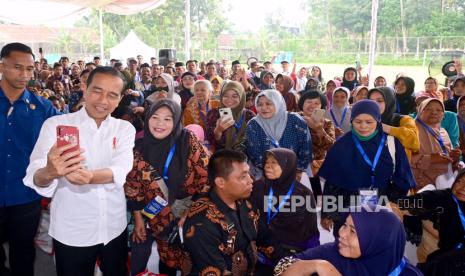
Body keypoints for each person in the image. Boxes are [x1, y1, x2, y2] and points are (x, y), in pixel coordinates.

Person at [24, 66, 136, 276]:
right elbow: (35, 175)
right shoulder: (56, 125)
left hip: (114, 225)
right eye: (97, 91)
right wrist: (50, 171)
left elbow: (122, 166)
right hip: (73, 230)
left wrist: (91, 177)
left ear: (120, 99)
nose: (103, 100)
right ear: (85, 88)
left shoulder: (124, 129)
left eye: (112, 95)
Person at [124, 98, 209, 276]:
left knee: (193, 260)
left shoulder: (187, 140)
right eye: (155, 117)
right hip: (156, 216)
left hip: (188, 215)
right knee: (167, 259)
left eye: (167, 119)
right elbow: (133, 187)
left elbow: (205, 178)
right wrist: (139, 218)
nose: (160, 124)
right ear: (147, 119)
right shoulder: (138, 148)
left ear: (176, 120)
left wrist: (191, 211)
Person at [0, 42, 59, 276]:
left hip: (25, 195)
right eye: (18, 67)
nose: (25, 74)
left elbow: (67, 134)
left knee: (23, 253)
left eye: (30, 69)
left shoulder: (43, 108)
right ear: (2, 66)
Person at [319, 100, 416, 238]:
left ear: (378, 121)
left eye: (369, 122)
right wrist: (328, 213)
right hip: (347, 209)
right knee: (348, 248)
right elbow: (332, 183)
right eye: (358, 121)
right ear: (351, 121)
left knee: (377, 246)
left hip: (382, 205)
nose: (363, 126)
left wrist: (389, 203)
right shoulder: (341, 145)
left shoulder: (391, 143)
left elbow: (402, 178)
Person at [182, 150, 284, 275]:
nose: (251, 180)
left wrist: (287, 264)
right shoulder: (202, 223)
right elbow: (215, 271)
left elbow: (264, 237)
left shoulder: (246, 202)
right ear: (221, 182)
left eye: (249, 174)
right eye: (243, 176)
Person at [275, 206, 423, 276]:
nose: (341, 233)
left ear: (377, 242)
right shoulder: (333, 252)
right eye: (344, 225)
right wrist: (317, 265)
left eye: (352, 231)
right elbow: (281, 268)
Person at [251, 148, 319, 275]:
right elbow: (254, 222)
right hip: (265, 254)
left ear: (287, 164)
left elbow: (312, 231)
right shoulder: (258, 188)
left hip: (296, 255)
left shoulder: (303, 193)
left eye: (274, 163)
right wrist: (279, 255)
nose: (268, 166)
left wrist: (309, 261)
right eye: (266, 162)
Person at [399, 169, 465, 275]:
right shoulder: (440, 198)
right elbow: (403, 203)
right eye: (459, 181)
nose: (461, 188)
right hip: (442, 264)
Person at [245, 89, 311, 180]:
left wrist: (296, 170)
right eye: (260, 104)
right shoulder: (253, 125)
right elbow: (255, 155)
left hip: (295, 173)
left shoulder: (295, 121)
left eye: (268, 103)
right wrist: (274, 171)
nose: (263, 108)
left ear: (278, 103)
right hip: (266, 174)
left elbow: (306, 149)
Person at [411, 98, 461, 190]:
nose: (434, 112)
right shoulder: (411, 131)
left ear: (443, 115)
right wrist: (431, 158)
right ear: (420, 111)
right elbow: (404, 160)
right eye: (428, 109)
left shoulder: (443, 132)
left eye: (438, 110)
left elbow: (447, 158)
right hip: (421, 186)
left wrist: (453, 158)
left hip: (445, 185)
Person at [298, 91, 335, 198]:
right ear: (302, 104)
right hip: (297, 169)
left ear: (322, 106)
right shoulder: (293, 119)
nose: (312, 106)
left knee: (315, 201)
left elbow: (332, 147)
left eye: (316, 103)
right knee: (295, 202)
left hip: (317, 169)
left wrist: (319, 129)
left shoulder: (327, 123)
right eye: (309, 102)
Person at [367, 86, 420, 160]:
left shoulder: (404, 119)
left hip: (399, 169)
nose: (375, 104)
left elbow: (415, 143)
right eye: (371, 101)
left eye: (380, 101)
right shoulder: (365, 120)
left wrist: (385, 127)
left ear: (389, 101)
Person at [206, 81, 255, 153]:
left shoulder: (249, 115)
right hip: (221, 159)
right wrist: (218, 131)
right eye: (225, 96)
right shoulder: (213, 114)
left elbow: (252, 142)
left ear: (241, 97)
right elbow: (210, 143)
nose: (229, 100)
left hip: (243, 159)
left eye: (234, 96)